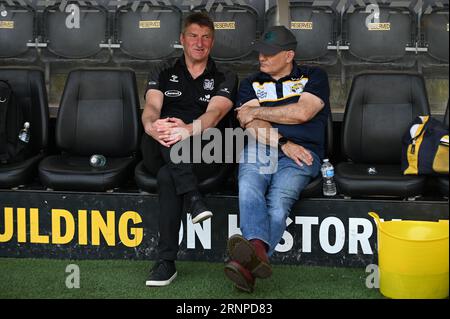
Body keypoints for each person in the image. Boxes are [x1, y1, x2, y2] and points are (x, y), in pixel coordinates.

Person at [224, 25, 330, 292]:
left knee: (280, 200)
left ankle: (248, 263)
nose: (262, 58)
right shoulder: (250, 83)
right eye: (261, 52)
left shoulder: (314, 76)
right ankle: (257, 255)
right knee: (249, 186)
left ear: (289, 55)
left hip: (305, 152)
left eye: (270, 53)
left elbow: (303, 113)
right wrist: (284, 141)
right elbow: (250, 126)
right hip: (265, 146)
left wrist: (260, 110)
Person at [142, 12, 238, 287]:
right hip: (160, 143)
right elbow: (151, 108)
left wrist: (187, 129)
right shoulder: (163, 71)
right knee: (167, 133)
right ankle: (193, 198)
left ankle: (166, 262)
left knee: (166, 177)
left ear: (213, 42)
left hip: (205, 149)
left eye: (206, 37)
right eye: (194, 36)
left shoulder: (225, 76)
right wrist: (152, 126)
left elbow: (215, 115)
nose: (199, 42)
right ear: (182, 39)